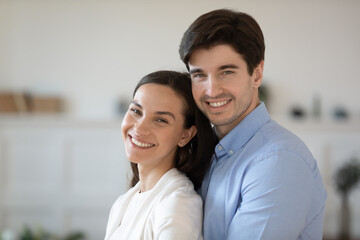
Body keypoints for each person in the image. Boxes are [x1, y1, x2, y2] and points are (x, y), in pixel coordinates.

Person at [179, 9, 327, 240]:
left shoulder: (279, 161)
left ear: (257, 74)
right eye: (199, 75)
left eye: (226, 72)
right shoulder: (206, 149)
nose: (211, 90)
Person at [104, 70, 214, 240]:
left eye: (161, 120)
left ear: (185, 135)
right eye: (136, 111)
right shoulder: (124, 202)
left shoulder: (178, 203)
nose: (139, 128)